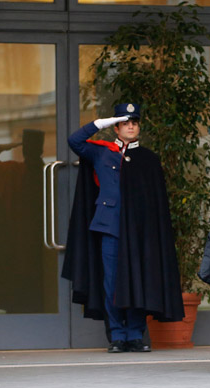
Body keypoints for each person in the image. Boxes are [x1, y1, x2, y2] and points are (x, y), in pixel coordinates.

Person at [62, 103, 185, 353]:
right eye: (125, 122)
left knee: (139, 280)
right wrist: (102, 122)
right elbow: (74, 140)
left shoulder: (148, 159)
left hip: (140, 231)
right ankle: (117, 335)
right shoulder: (101, 153)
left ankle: (135, 335)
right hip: (110, 227)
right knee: (112, 283)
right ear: (116, 127)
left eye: (135, 122)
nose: (131, 126)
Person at [0, 129, 47, 314]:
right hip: (41, 245)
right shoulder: (48, 173)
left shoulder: (12, 172)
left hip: (14, 245)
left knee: (17, 299)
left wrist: (1, 147)